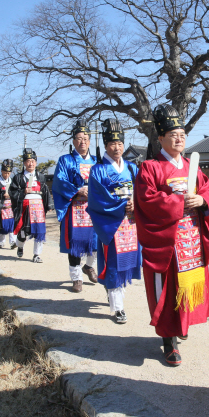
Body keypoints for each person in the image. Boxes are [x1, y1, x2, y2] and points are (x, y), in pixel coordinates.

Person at [134, 105, 209, 366]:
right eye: (172, 134)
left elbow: (208, 191)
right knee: (167, 291)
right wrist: (180, 202)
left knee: (188, 285)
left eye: (182, 134)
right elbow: (146, 200)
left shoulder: (193, 167)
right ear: (160, 138)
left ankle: (183, 324)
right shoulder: (150, 167)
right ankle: (169, 341)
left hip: (190, 237)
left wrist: (203, 200)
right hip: (167, 242)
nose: (179, 138)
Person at [86, 119, 141, 324]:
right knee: (113, 264)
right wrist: (121, 206)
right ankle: (118, 308)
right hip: (111, 223)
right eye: (112, 144)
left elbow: (141, 191)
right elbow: (97, 199)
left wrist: (136, 203)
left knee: (126, 261)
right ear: (106, 145)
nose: (117, 147)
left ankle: (114, 294)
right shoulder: (98, 171)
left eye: (119, 144)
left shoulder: (132, 168)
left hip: (131, 223)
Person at [52, 120, 98, 293]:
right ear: (73, 142)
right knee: (76, 244)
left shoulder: (96, 161)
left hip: (94, 209)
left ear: (90, 141)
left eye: (85, 138)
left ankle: (89, 266)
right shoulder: (65, 160)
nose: (83, 142)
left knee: (96, 242)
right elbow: (59, 182)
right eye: (79, 139)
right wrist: (78, 190)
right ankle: (76, 277)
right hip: (75, 209)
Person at [10, 148, 50, 263]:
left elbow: (45, 191)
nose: (30, 163)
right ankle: (20, 245)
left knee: (39, 231)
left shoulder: (41, 177)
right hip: (25, 207)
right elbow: (13, 192)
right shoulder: (18, 177)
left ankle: (37, 254)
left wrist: (49, 205)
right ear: (24, 163)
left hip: (38, 208)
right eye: (28, 161)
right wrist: (23, 192)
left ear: (36, 162)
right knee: (23, 231)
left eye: (33, 161)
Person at [0, 159, 17, 249]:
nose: (6, 175)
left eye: (8, 173)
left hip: (11, 208)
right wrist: (2, 195)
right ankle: (1, 242)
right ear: (1, 171)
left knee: (12, 225)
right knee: (2, 225)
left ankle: (13, 241)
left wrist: (11, 195)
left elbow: (17, 193)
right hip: (1, 207)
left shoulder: (13, 182)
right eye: (5, 172)